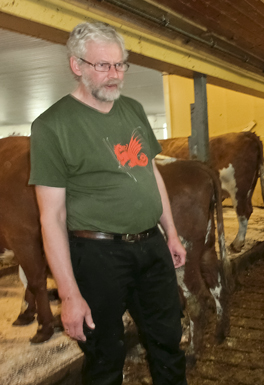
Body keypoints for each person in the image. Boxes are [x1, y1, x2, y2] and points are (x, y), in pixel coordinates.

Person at [29, 22, 188, 385]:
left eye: (120, 65)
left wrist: (172, 233)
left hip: (150, 246)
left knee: (168, 341)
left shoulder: (131, 108)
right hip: (96, 255)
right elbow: (50, 217)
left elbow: (151, 174)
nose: (115, 75)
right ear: (77, 65)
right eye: (103, 65)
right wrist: (69, 295)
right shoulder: (52, 126)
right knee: (105, 355)